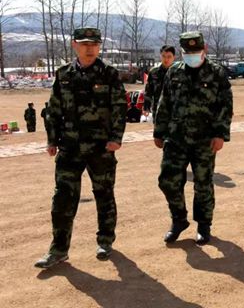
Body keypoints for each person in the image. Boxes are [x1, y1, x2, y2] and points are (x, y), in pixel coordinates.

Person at [34, 27, 127, 269]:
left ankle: (105, 241)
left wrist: (116, 138)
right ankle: (58, 249)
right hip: (70, 148)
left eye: (94, 44)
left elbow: (119, 108)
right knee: (62, 198)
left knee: (104, 195)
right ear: (75, 45)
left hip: (101, 148)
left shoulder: (109, 74)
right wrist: (52, 140)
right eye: (85, 44)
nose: (90, 48)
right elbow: (54, 109)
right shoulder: (64, 74)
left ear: (99, 46)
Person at [153, 31, 233, 245]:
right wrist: (159, 131)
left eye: (195, 50)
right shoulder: (174, 72)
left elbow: (225, 105)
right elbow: (164, 102)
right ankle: (179, 219)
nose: (192, 54)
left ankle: (204, 225)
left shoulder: (216, 72)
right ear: (182, 52)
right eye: (188, 51)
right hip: (176, 137)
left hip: (204, 139)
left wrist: (220, 134)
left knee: (203, 183)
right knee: (167, 180)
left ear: (204, 49)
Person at [143, 45, 176, 121]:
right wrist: (146, 107)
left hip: (174, 111)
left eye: (169, 57)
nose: (166, 59)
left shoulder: (179, 72)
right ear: (160, 56)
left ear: (174, 57)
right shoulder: (154, 72)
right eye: (163, 56)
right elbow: (148, 91)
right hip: (158, 111)